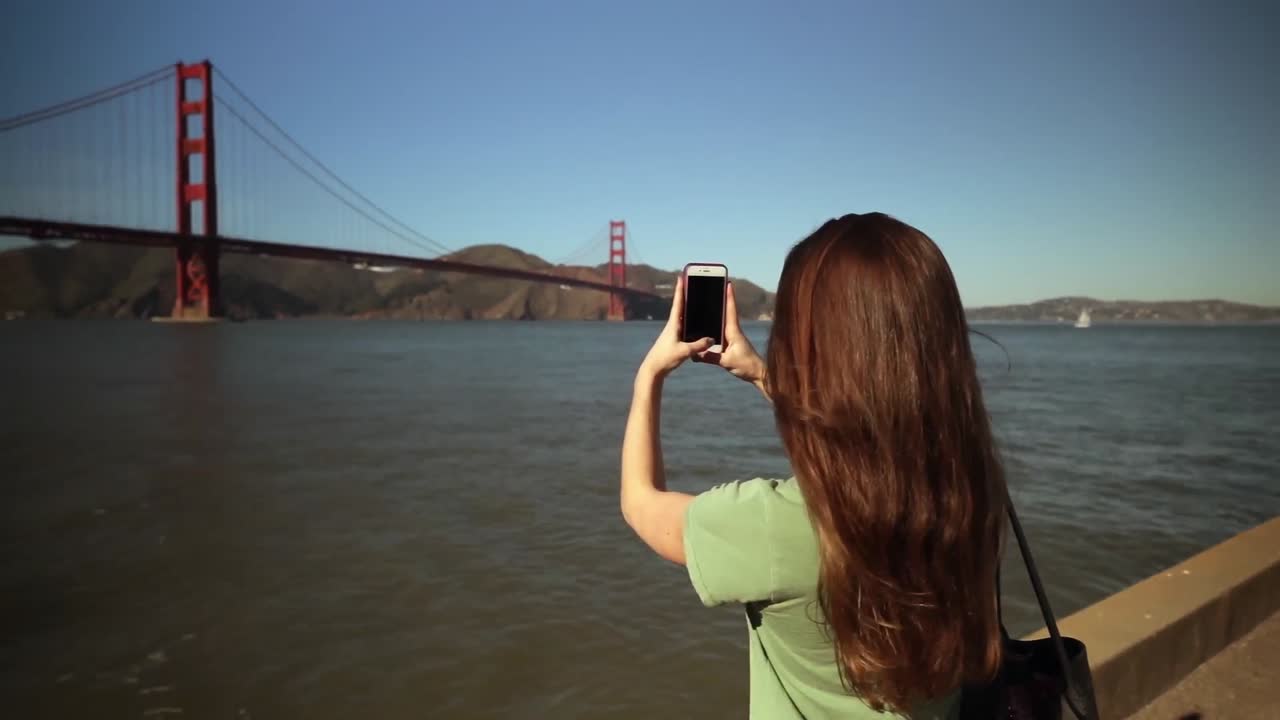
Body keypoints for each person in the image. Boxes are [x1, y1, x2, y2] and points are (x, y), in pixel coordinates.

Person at [620, 213, 1007, 719]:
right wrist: (762, 374)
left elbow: (640, 502)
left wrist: (649, 375)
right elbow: (866, 439)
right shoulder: (972, 488)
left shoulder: (775, 525)